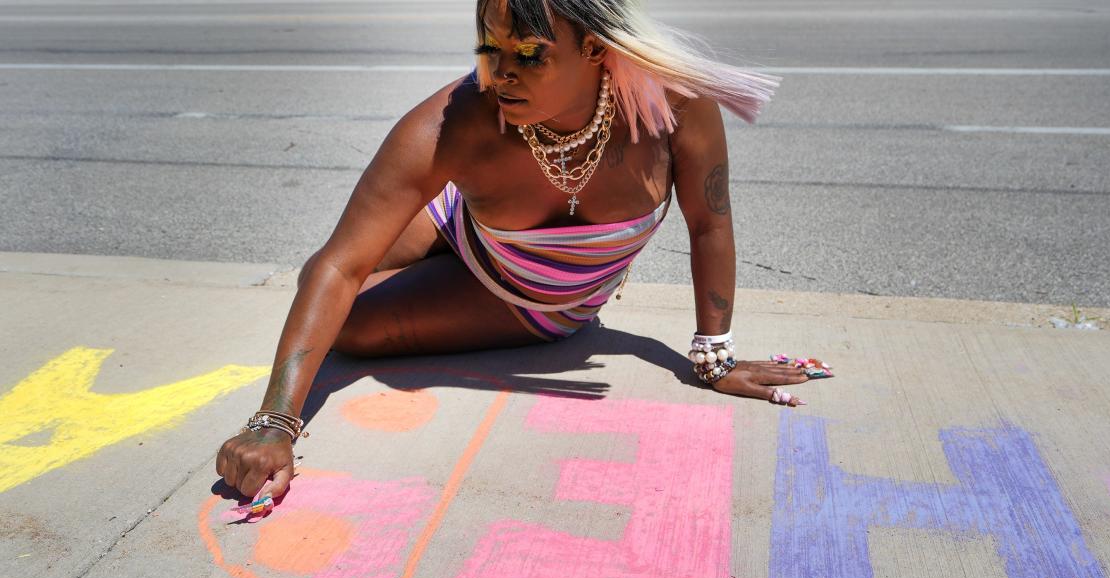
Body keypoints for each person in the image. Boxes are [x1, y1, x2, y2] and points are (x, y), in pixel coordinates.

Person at [215, 0, 819, 500]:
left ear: (595, 48)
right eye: (488, 48)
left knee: (350, 326)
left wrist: (714, 357)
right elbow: (339, 262)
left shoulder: (673, 107)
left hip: (527, 300)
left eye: (528, 54)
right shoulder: (453, 122)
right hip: (459, 224)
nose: (498, 73)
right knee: (321, 282)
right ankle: (445, 247)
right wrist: (273, 422)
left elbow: (708, 224)